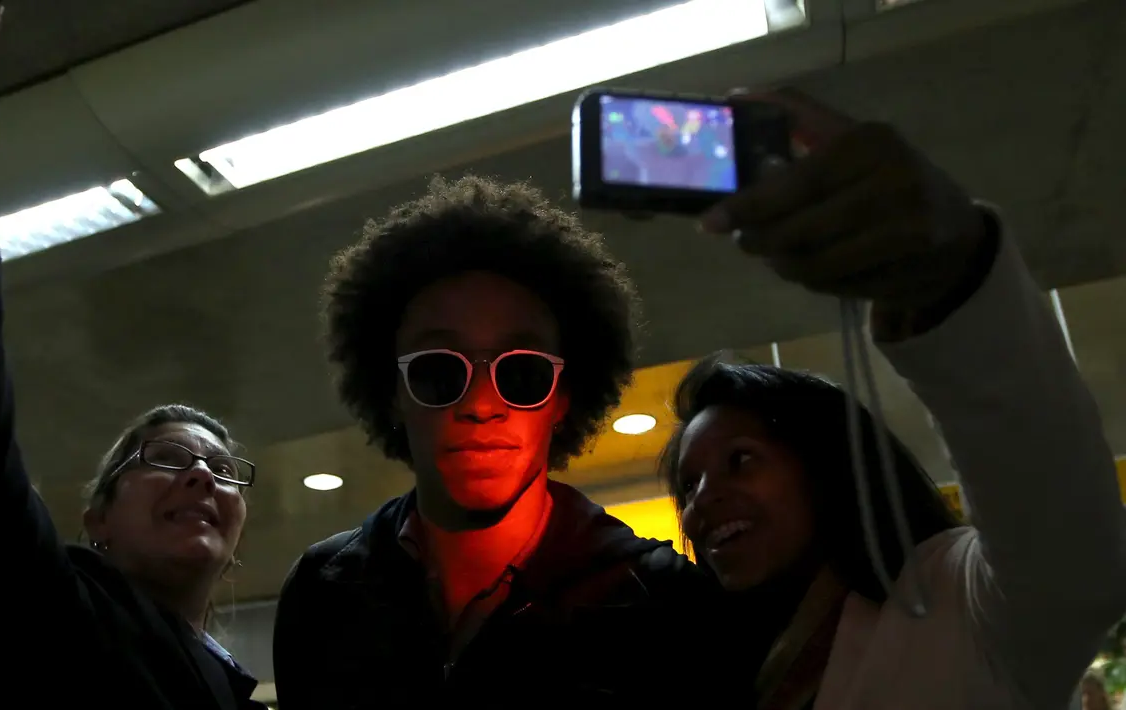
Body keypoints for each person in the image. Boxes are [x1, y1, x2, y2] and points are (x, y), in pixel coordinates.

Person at [659, 91, 1126, 709]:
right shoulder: (708, 669)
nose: (704, 502)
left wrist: (951, 275)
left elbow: (1062, 532)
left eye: (740, 460)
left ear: (825, 464)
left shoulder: (960, 604)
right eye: (687, 488)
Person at [0, 3, 264, 708]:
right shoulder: (47, 613)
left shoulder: (235, 693)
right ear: (97, 521)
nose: (200, 476)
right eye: (166, 458)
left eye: (221, 470)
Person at [273, 175, 739, 708]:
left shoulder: (665, 602)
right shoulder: (322, 591)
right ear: (393, 394)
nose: (480, 403)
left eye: (522, 375)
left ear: (563, 397)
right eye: (438, 372)